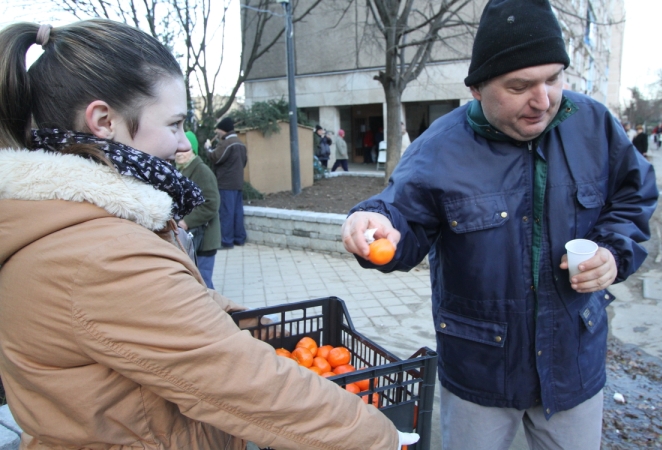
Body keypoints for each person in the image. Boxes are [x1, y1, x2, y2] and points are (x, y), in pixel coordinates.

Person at [0, 19, 417, 450]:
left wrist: (270, 331)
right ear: (104, 120)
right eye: (175, 124)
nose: (184, 144)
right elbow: (239, 380)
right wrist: (379, 437)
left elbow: (178, 304)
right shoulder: (98, 254)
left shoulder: (79, 222)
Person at [341, 1, 658, 449]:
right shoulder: (438, 149)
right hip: (479, 373)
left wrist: (613, 251)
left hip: (573, 363)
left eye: (553, 79)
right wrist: (376, 224)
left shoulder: (594, 126)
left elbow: (634, 195)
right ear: (477, 89)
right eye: (520, 85)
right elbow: (401, 219)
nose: (543, 99)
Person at [176, 147, 221, 288]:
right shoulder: (183, 169)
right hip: (193, 238)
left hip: (204, 239)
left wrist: (186, 221)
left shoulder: (201, 171)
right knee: (198, 282)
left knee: (203, 283)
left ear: (194, 150)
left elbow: (212, 204)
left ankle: (215, 309)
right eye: (177, 150)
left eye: (184, 150)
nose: (179, 153)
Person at [207, 116, 248, 248]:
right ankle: (239, 238)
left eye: (218, 129)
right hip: (238, 183)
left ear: (223, 130)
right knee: (237, 212)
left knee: (226, 212)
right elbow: (244, 162)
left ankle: (226, 241)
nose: (217, 132)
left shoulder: (226, 143)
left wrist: (208, 148)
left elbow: (216, 158)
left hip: (225, 184)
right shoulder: (240, 143)